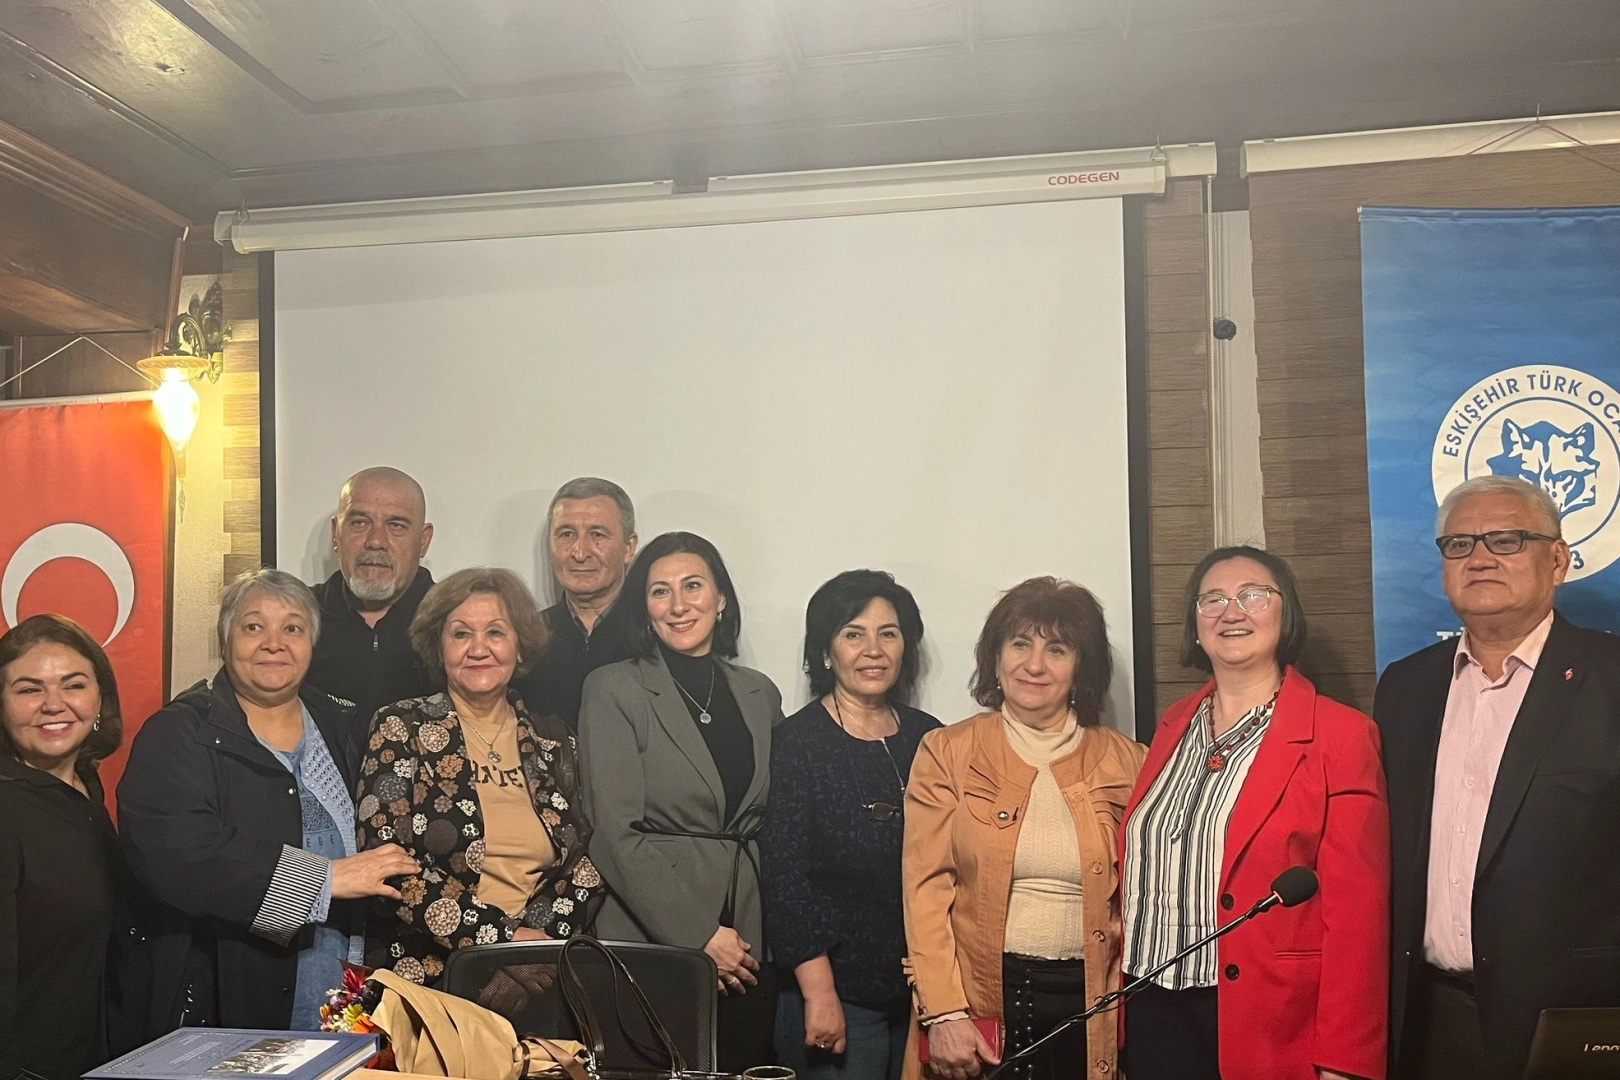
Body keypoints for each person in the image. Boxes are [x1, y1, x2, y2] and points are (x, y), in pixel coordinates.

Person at [1377, 475, 1620, 1080]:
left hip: (1575, 1020)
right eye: (1459, 544)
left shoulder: (1611, 677)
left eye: (1507, 540)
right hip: (1427, 1020)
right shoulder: (1405, 687)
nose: (1480, 558)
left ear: (1557, 560)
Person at [1119, 547, 1388, 1080]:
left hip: (1266, 1020)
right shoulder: (1173, 725)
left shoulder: (1341, 735)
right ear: (1195, 624)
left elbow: (1359, 916)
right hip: (1149, 1006)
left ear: (1286, 613)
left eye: (1253, 596)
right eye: (1213, 599)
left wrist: (1345, 1059)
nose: (1232, 611)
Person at [118, 569, 420, 1033]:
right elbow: (177, 854)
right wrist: (324, 880)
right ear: (225, 642)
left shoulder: (346, 725)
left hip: (349, 1000)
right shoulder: (178, 734)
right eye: (253, 626)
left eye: (292, 628)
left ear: (312, 644)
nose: (274, 643)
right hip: (231, 996)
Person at [903, 577, 1145, 1080]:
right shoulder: (947, 752)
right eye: (1019, 644)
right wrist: (944, 1013)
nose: (1034, 665)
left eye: (1056, 649)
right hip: (982, 1002)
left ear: (1081, 668)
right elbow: (925, 892)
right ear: (996, 659)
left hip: (1093, 1001)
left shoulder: (1130, 762)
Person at [579, 532, 784, 1072]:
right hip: (651, 932)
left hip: (748, 932)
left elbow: (778, 819)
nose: (678, 605)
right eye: (660, 591)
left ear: (721, 599)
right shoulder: (612, 689)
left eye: (693, 586)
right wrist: (698, 934)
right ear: (644, 609)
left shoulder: (761, 694)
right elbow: (612, 833)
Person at [358, 568, 602, 984]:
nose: (478, 648)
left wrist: (533, 955)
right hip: (433, 975)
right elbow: (387, 865)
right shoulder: (400, 726)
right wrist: (501, 942)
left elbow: (585, 866)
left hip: (541, 973)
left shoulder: (555, 739)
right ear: (438, 647)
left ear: (519, 647)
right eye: (460, 634)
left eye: (495, 632)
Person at [762, 570, 942, 1080]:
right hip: (837, 996)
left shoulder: (931, 739)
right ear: (825, 652)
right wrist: (819, 994)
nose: (873, 650)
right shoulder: (797, 743)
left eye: (888, 633)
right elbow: (785, 881)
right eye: (853, 634)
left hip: (923, 995)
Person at [0, 615, 127, 1080]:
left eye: (73, 685)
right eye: (29, 689)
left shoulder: (86, 788)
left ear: (100, 699)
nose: (54, 704)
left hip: (96, 1058)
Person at [308, 467, 439, 726]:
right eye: (359, 523)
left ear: (423, 541)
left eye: (396, 525)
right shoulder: (296, 619)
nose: (376, 541)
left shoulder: (455, 622)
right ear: (336, 534)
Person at [513, 477, 639, 731]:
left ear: (629, 547)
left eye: (597, 535)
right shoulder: (524, 639)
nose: (580, 553)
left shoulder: (655, 634)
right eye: (566, 535)